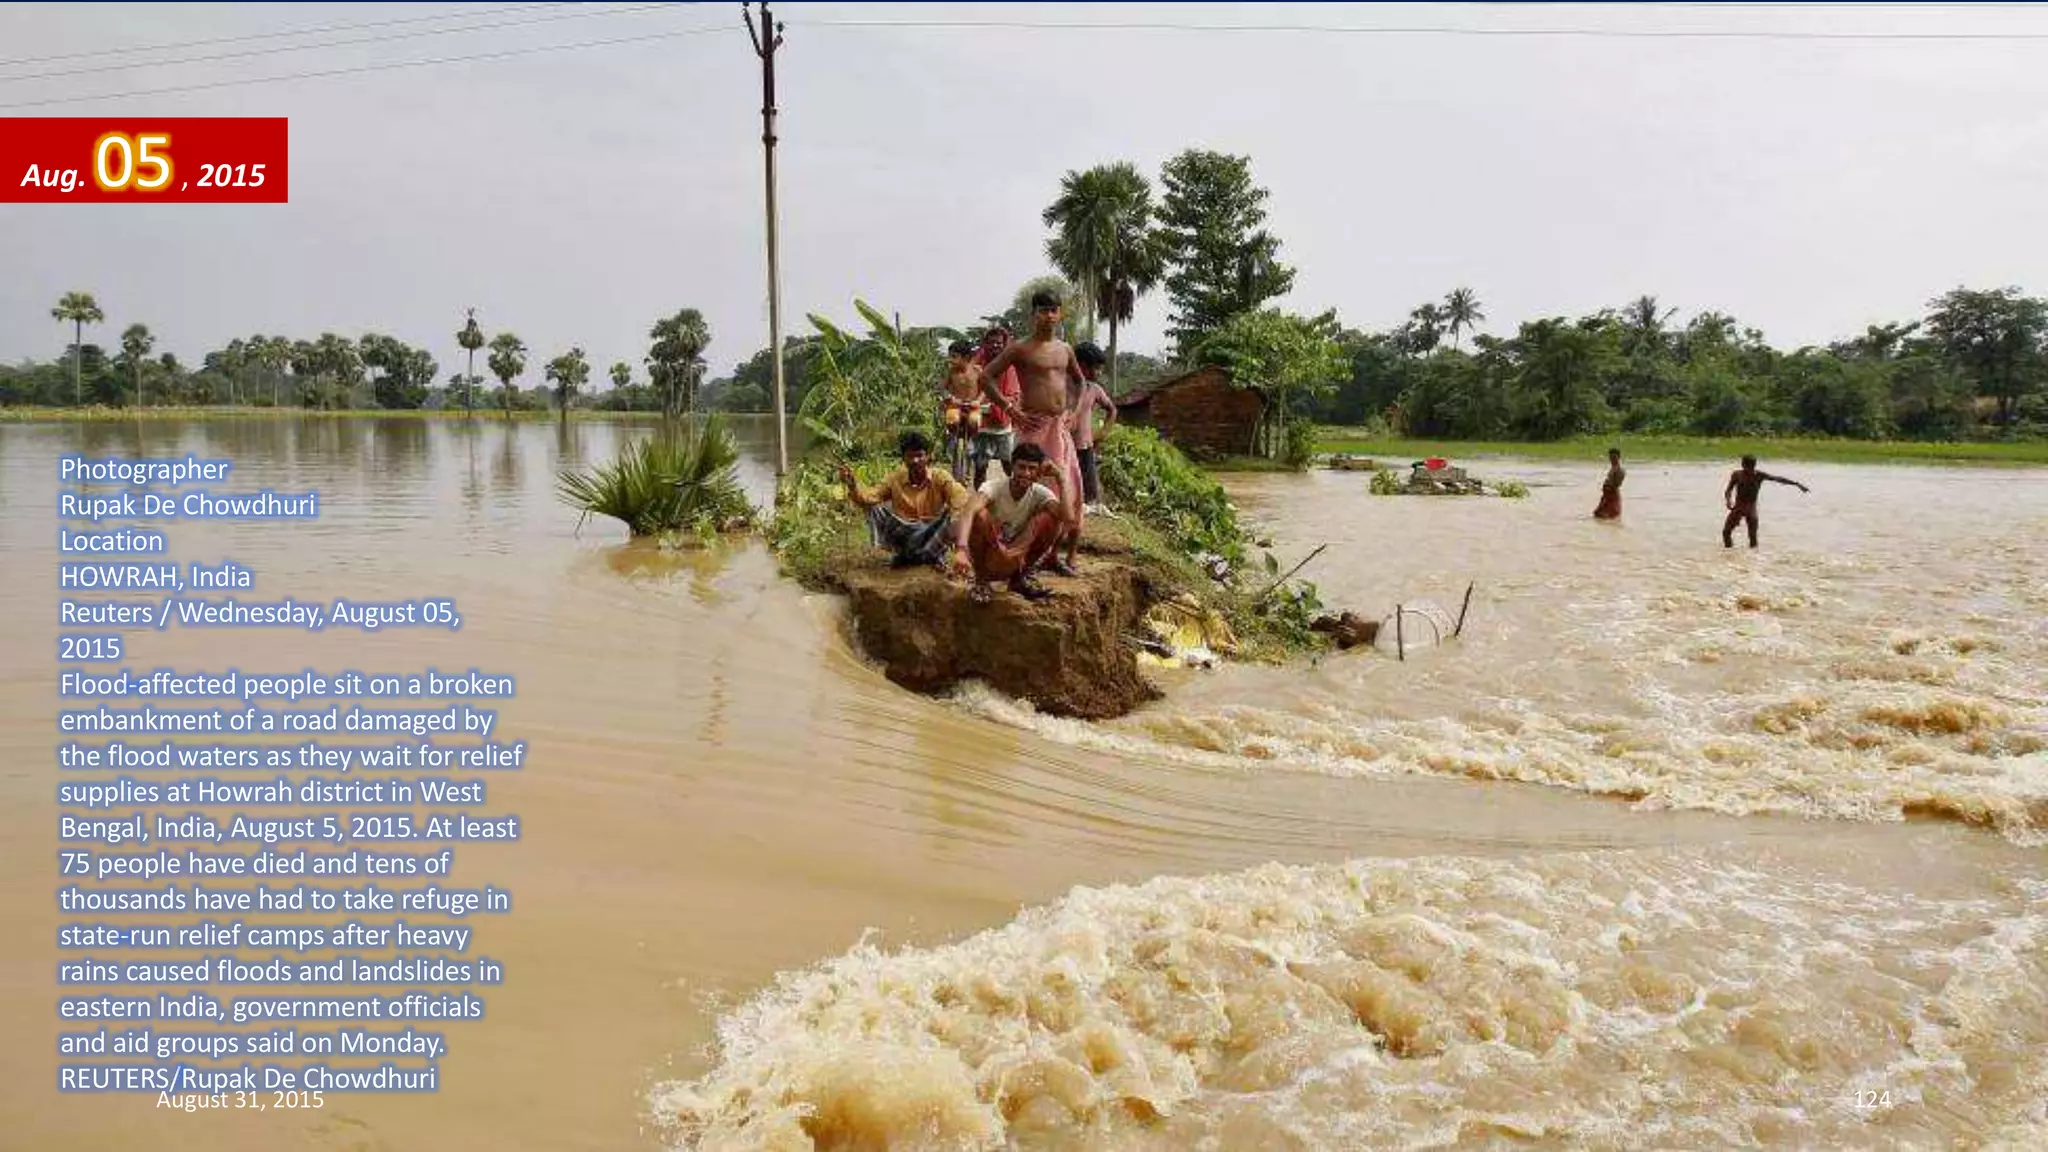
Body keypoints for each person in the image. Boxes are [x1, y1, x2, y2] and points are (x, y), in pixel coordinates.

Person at [977, 291, 1087, 577]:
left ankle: (1053, 556)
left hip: (1059, 429)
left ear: (1060, 314)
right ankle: (1018, 555)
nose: (1049, 316)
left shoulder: (1065, 349)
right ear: (1033, 314)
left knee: (1068, 490)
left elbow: (1080, 381)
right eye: (1043, 310)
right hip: (1033, 428)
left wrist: (1073, 412)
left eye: (1053, 310)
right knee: (1029, 491)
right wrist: (1008, 408)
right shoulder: (1020, 349)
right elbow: (985, 377)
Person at [948, 441, 1074, 603]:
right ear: (1012, 467)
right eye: (1021, 467)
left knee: (1051, 519)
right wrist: (961, 549)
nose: (1026, 473)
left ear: (1039, 472)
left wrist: (1061, 478)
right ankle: (981, 580)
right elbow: (968, 511)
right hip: (990, 556)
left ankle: (1019, 578)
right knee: (980, 515)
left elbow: (1068, 518)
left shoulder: (1040, 494)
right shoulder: (993, 487)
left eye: (1032, 468)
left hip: (1017, 555)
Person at [840, 430, 968, 569]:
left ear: (928, 456)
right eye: (910, 456)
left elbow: (960, 498)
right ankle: (904, 554)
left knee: (955, 514)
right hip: (904, 532)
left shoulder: (941, 477)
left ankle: (932, 555)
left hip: (932, 531)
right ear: (904, 458)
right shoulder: (895, 478)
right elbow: (870, 496)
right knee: (874, 508)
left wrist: (958, 530)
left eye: (919, 455)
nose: (915, 461)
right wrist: (852, 484)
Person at [1068, 341, 1117, 515]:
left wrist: (1102, 434)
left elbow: (1112, 410)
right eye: (1096, 368)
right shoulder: (1062, 386)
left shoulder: (1094, 389)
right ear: (1081, 365)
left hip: (1086, 447)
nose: (1099, 372)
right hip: (1065, 446)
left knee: (1090, 492)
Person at [968, 326, 1019, 490]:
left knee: (1009, 465)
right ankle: (979, 502)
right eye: (991, 343)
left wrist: (1004, 403)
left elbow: (1015, 394)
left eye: (998, 343)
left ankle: (1016, 498)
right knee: (981, 467)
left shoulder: (1010, 367)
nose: (995, 346)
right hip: (982, 424)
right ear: (985, 344)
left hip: (1004, 425)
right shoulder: (976, 366)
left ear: (1004, 344)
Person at [1722, 454, 1809, 548]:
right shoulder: (1737, 474)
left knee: (1752, 537)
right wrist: (1728, 500)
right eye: (1748, 467)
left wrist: (1796, 484)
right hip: (1738, 507)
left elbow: (1778, 479)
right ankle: (1729, 554)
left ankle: (1753, 558)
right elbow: (1728, 490)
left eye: (1752, 466)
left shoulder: (1759, 475)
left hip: (1751, 508)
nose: (1750, 469)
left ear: (1754, 465)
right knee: (1726, 532)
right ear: (1743, 465)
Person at [939, 340, 983, 482]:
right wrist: (949, 398)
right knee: (952, 419)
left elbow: (986, 390)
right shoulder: (951, 372)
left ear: (965, 358)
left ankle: (972, 441)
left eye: (954, 356)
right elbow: (943, 389)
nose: (950, 360)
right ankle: (951, 439)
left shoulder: (977, 371)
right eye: (950, 356)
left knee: (974, 420)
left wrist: (978, 401)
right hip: (956, 406)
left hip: (973, 407)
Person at [1594, 447, 1625, 520]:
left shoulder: (1619, 470)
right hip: (1607, 494)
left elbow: (1617, 484)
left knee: (1609, 516)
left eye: (1614, 457)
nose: (1612, 459)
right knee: (1598, 515)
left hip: (1612, 495)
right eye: (1611, 457)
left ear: (1619, 457)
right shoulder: (1613, 468)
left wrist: (1609, 487)